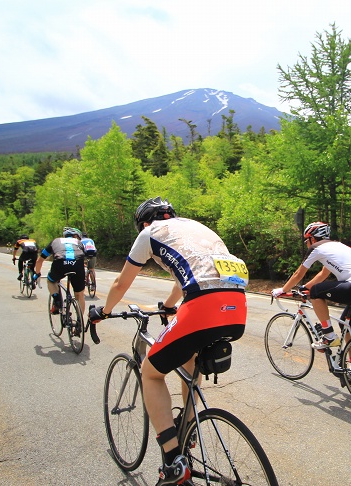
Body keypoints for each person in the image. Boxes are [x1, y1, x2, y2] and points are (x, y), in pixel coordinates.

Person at [89, 197, 248, 486]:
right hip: (237, 306)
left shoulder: (149, 233)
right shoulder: (196, 228)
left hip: (204, 304)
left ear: (144, 222)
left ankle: (173, 460)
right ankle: (188, 430)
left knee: (150, 372)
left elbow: (121, 283)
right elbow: (190, 276)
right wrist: (170, 305)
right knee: (189, 362)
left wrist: (104, 311)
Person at [272, 221, 351, 352]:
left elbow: (298, 274)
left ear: (311, 238)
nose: (307, 244)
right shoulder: (338, 246)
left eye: (306, 241)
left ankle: (329, 336)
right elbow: (324, 273)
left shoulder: (316, 247)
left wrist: (282, 290)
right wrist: (304, 287)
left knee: (316, 292)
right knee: (346, 327)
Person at [33, 227, 87, 329]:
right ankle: (79, 322)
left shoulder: (55, 241)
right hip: (77, 264)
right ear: (76, 236)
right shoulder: (79, 242)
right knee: (80, 294)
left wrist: (37, 273)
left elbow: (40, 260)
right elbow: (82, 256)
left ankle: (57, 301)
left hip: (60, 263)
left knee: (51, 281)